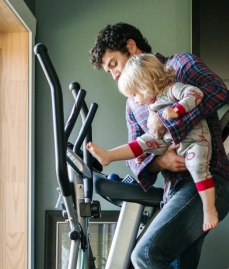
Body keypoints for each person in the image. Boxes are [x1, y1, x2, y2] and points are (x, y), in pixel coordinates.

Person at [89, 23, 229, 269]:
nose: (114, 73)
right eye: (109, 71)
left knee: (147, 253)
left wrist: (170, 124)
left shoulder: (181, 66)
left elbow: (217, 91)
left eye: (114, 63)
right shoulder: (132, 100)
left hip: (207, 182)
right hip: (175, 192)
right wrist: (161, 161)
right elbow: (141, 160)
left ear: (132, 46)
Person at [87, 53, 218, 231]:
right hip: (167, 143)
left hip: (196, 141)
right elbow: (143, 148)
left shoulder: (172, 88)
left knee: (197, 167)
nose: (134, 99)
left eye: (134, 94)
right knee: (141, 142)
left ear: (145, 86)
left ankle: (209, 209)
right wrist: (148, 159)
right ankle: (109, 156)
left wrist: (176, 111)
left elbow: (196, 93)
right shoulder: (149, 104)